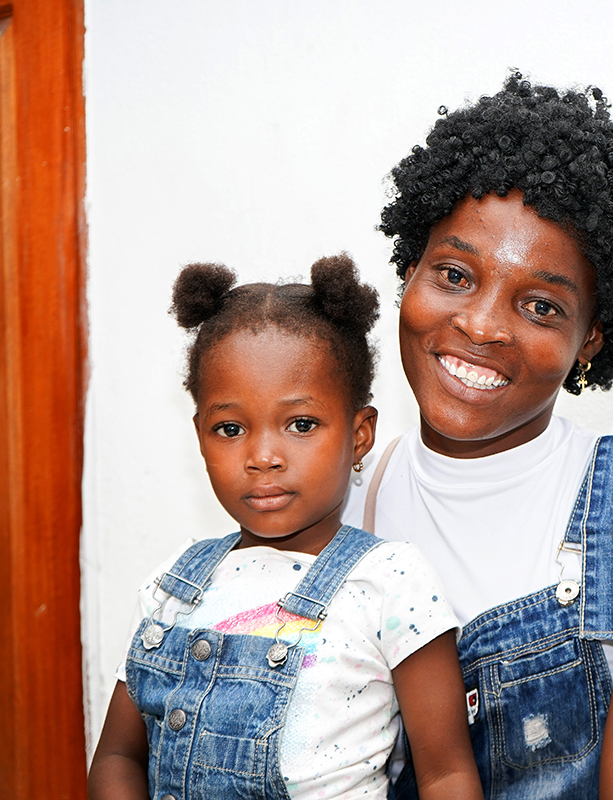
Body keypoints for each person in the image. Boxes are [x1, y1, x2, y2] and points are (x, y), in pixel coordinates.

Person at [345, 74, 613, 799]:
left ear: (590, 341)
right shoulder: (339, 503)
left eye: (541, 306)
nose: (483, 324)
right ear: (409, 274)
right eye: (455, 274)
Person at [88, 256, 483, 800]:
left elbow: (446, 774)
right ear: (199, 434)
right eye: (230, 428)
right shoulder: (171, 590)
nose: (263, 456)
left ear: (359, 434)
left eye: (301, 424)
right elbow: (118, 756)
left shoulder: (390, 583)